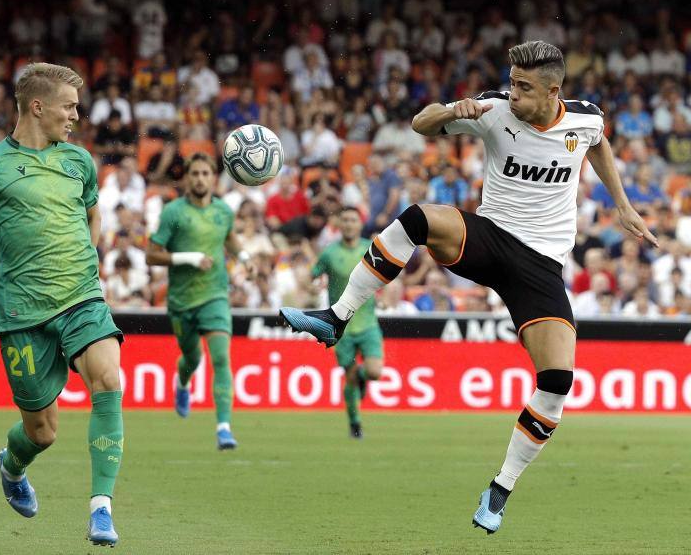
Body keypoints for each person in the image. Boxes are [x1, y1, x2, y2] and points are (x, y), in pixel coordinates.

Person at [280, 41, 657, 535]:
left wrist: (623, 204)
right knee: (417, 218)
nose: (513, 93)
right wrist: (449, 110)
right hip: (490, 237)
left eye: (524, 87)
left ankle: (500, 487)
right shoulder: (494, 109)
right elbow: (421, 125)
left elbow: (599, 140)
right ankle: (337, 316)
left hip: (541, 267)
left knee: (558, 381)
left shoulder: (583, 119)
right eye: (512, 82)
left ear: (553, 91)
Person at [0, 63, 124, 546]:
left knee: (109, 377)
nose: (76, 116)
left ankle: (101, 509)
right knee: (42, 432)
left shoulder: (79, 161)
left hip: (81, 296)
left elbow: (92, 214)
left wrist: (92, 259)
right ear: (38, 107)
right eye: (69, 106)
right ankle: (12, 463)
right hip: (21, 311)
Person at [146, 153, 252, 450]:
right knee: (192, 358)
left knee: (220, 358)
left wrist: (244, 257)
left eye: (206, 173)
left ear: (213, 178)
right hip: (181, 300)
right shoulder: (173, 213)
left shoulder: (223, 212)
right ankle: (182, 383)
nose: (200, 178)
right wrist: (188, 258)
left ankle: (223, 428)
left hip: (216, 296)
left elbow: (228, 237)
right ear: (187, 178)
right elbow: (151, 255)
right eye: (195, 173)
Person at [311, 207, 383, 438]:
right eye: (345, 220)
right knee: (349, 376)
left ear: (360, 224)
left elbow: (387, 273)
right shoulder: (329, 253)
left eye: (353, 220)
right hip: (341, 326)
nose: (349, 224)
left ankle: (363, 379)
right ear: (339, 225)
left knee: (374, 372)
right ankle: (355, 423)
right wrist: (316, 283)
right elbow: (313, 275)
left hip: (368, 322)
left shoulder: (370, 249)